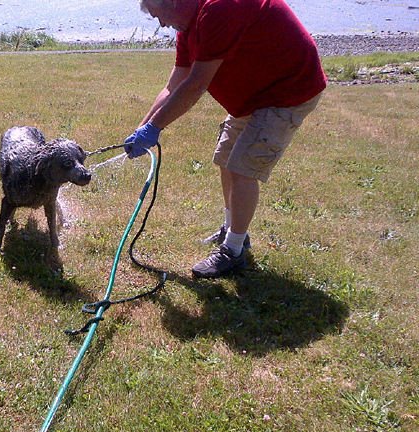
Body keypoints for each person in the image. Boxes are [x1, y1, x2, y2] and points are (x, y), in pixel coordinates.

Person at [124, 0, 326, 278]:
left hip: (287, 90)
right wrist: (143, 126)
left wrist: (155, 128)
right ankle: (235, 232)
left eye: (160, 16)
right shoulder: (189, 27)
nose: (161, 24)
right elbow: (173, 85)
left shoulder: (218, 9)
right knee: (225, 158)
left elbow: (195, 84)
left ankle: (234, 251)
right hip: (253, 96)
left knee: (243, 166)